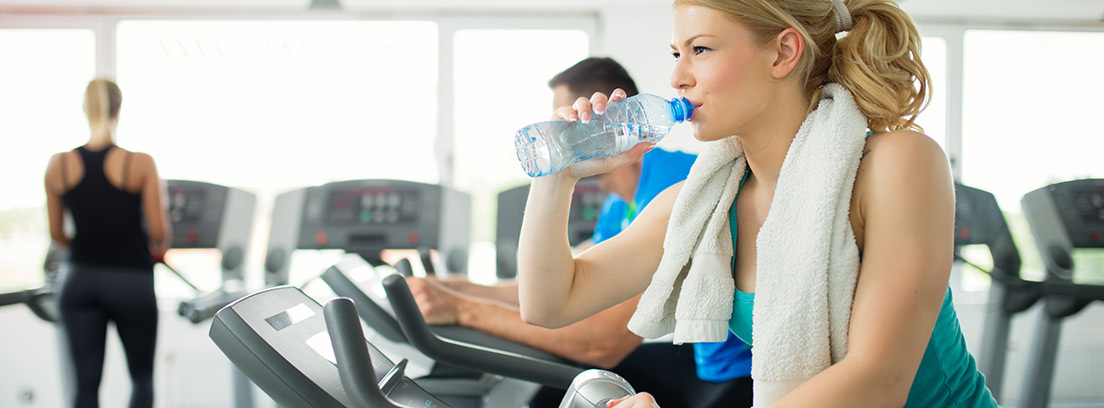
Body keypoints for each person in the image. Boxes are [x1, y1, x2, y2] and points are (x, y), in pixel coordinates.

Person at [517, 1, 998, 407]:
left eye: (700, 50)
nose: (677, 77)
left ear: (783, 53)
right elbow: (550, 302)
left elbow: (878, 380)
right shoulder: (702, 203)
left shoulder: (896, 163)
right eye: (676, 53)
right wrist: (557, 175)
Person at [405, 57, 754, 407]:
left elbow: (602, 342)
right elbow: (567, 281)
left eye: (565, 118)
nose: (557, 133)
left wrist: (463, 309)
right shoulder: (617, 205)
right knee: (555, 393)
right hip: (706, 364)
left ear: (597, 119)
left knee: (564, 387)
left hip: (741, 375)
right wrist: (454, 289)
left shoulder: (679, 183)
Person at [44, 78, 171, 408]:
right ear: (119, 109)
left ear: (85, 109)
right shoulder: (140, 163)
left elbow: (57, 235)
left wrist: (92, 240)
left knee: (84, 387)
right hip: (130, 279)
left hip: (79, 279)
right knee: (141, 378)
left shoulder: (58, 165)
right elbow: (159, 233)